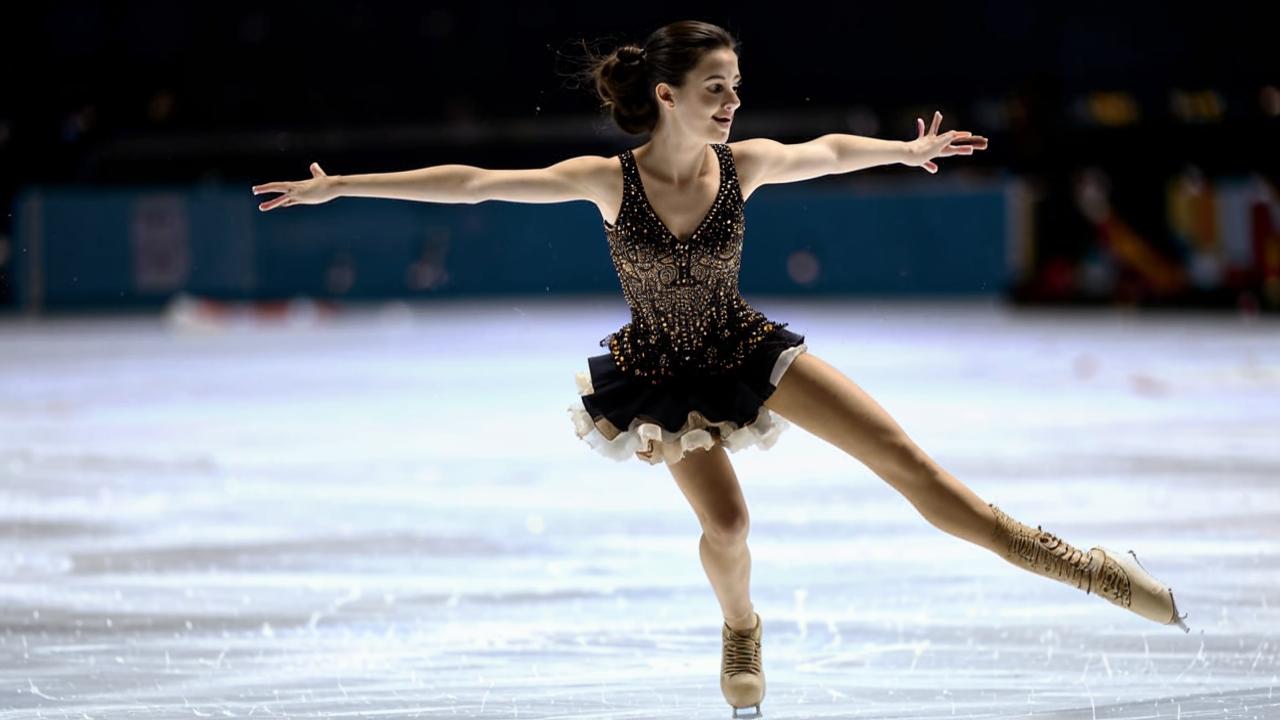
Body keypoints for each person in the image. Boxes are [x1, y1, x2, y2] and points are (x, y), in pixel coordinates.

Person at [251, 19, 1189, 718]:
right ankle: (741, 624)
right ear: (665, 94)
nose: (731, 101)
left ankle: (1093, 568)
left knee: (914, 469)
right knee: (731, 527)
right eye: (713, 87)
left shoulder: (745, 164)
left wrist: (906, 150)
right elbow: (475, 181)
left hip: (747, 349)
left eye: (735, 85)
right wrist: (343, 184)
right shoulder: (606, 180)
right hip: (662, 378)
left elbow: (826, 152)